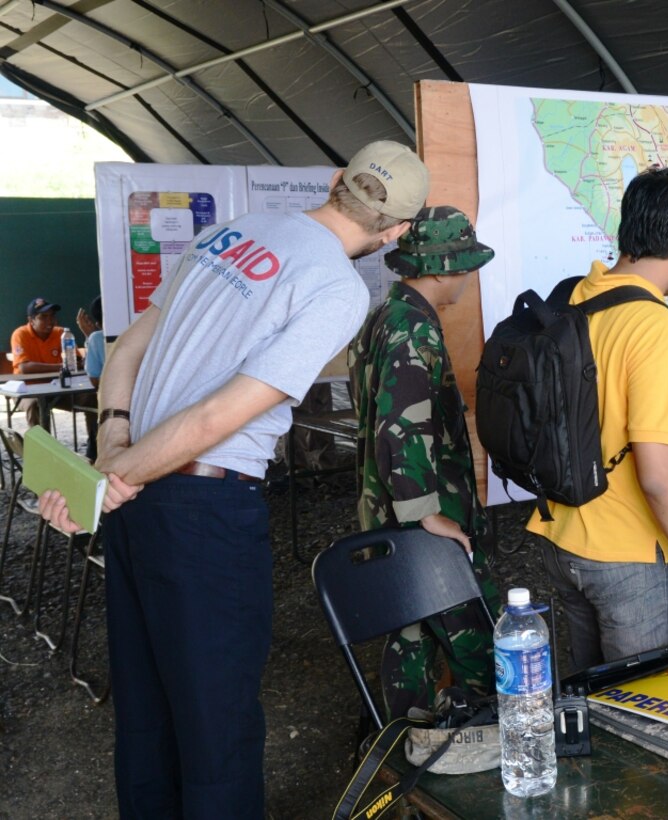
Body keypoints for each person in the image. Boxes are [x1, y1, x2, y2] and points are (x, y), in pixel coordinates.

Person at [38, 140, 430, 818]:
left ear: (336, 181)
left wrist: (112, 442)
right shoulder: (337, 288)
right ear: (396, 230)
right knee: (216, 727)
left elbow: (130, 344)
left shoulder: (233, 230)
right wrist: (107, 480)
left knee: (146, 712)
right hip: (202, 510)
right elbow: (220, 414)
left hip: (142, 504)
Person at [525, 167, 668, 673]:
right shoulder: (653, 324)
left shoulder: (574, 296)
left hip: (562, 539)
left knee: (594, 700)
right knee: (648, 705)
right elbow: (658, 480)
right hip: (628, 556)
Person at [348, 205, 499, 718]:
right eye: (464, 265)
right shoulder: (414, 328)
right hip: (425, 521)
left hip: (387, 513)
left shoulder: (385, 316)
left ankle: (405, 740)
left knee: (411, 632)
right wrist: (426, 512)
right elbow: (402, 424)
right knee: (476, 634)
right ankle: (486, 735)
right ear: (441, 267)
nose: (467, 276)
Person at [11, 296, 97, 440]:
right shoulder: (20, 334)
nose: (49, 321)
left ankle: (94, 444)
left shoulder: (62, 333)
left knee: (90, 397)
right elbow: (25, 368)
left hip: (58, 389)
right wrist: (62, 367)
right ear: (31, 320)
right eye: (43, 317)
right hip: (28, 390)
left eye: (52, 316)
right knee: (35, 404)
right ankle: (43, 450)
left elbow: (75, 362)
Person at [77, 296, 105, 461]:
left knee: (94, 402)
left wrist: (91, 336)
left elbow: (94, 380)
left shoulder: (96, 338)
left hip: (112, 403)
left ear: (98, 323)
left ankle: (94, 451)